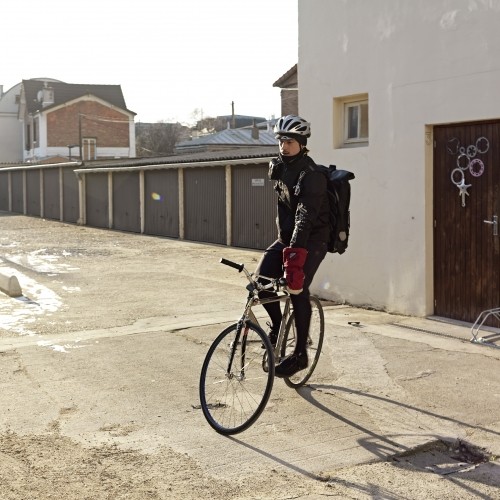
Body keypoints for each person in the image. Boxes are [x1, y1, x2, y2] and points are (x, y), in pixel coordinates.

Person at [255, 115, 330, 377]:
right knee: (261, 284)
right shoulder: (278, 167)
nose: (284, 146)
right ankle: (277, 328)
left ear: (301, 143)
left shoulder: (313, 176)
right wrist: (284, 243)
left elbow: (305, 216)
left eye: (289, 141)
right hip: (289, 238)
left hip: (313, 239)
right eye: (281, 141)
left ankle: (300, 354)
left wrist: (295, 258)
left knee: (297, 289)